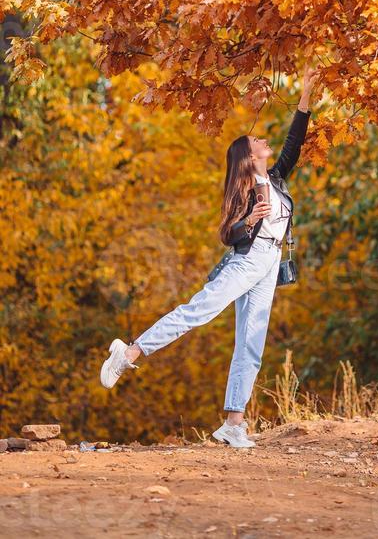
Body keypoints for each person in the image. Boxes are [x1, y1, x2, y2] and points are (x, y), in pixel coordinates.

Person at [99, 63, 318, 448]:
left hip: (269, 265)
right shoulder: (245, 190)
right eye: (256, 143)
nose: (264, 142)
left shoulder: (278, 180)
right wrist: (249, 218)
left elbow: (293, 143)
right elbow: (226, 234)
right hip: (247, 261)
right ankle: (130, 350)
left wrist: (306, 95)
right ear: (248, 157)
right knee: (198, 311)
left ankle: (234, 423)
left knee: (251, 342)